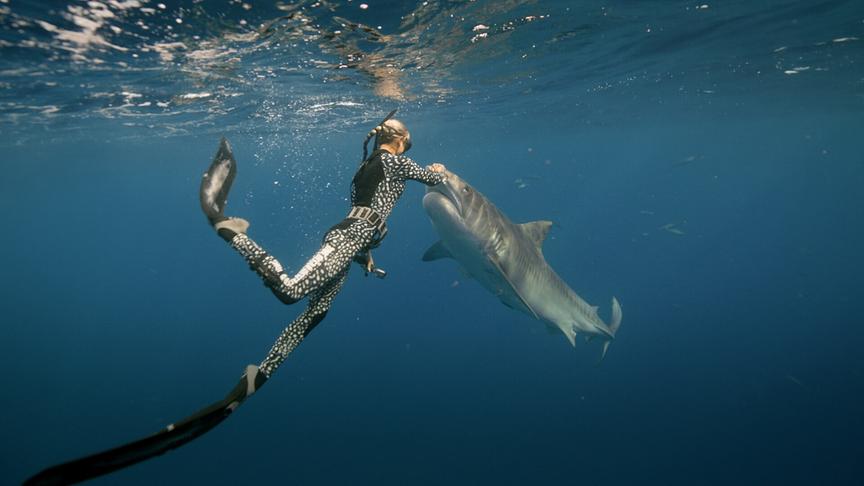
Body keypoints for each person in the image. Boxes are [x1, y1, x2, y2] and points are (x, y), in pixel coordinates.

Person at [206, 112, 447, 380]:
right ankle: (234, 234)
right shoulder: (395, 162)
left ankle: (265, 369)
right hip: (346, 240)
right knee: (290, 291)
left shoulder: (364, 167)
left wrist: (363, 252)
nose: (406, 149)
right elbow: (434, 180)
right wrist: (439, 170)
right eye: (407, 144)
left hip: (351, 242)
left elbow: (363, 209)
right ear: (400, 140)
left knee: (316, 312)